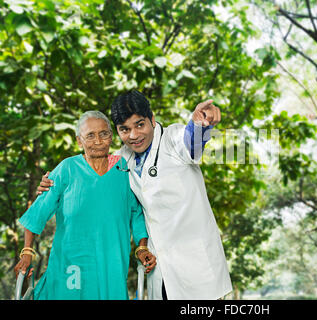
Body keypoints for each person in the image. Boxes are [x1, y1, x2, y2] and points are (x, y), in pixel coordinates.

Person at [39, 91, 232, 300]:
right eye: (125, 129)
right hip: (160, 268)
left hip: (196, 266)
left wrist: (201, 125)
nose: (133, 135)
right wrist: (51, 184)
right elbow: (87, 179)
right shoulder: (121, 160)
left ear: (152, 119)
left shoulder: (173, 139)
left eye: (140, 125)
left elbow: (191, 143)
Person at [15, 111, 156, 300]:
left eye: (103, 133)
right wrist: (27, 251)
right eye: (90, 135)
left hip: (110, 266)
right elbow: (37, 213)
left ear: (111, 136)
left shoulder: (123, 168)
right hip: (70, 266)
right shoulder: (67, 168)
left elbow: (136, 212)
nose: (98, 140)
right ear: (79, 141)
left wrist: (142, 247)